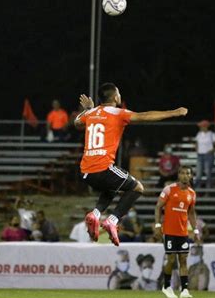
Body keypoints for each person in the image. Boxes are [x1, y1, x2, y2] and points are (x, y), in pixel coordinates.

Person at [74, 83, 187, 246]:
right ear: (114, 97)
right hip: (103, 167)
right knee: (137, 187)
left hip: (85, 171)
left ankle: (96, 214)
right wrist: (174, 112)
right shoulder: (118, 113)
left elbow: (77, 123)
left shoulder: (91, 113)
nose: (120, 96)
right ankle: (112, 221)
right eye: (119, 93)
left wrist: (88, 109)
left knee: (112, 187)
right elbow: (145, 116)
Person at [154, 166, 198, 298]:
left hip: (183, 232)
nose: (185, 176)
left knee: (183, 260)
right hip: (169, 231)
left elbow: (191, 212)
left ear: (190, 176)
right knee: (171, 259)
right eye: (183, 173)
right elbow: (158, 207)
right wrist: (157, 225)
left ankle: (184, 290)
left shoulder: (192, 193)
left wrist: (195, 230)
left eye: (188, 173)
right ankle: (167, 286)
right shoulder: (169, 189)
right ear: (178, 175)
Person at [195, 120, 215, 188]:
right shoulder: (199, 134)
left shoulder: (211, 134)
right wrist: (197, 150)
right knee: (198, 174)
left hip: (208, 155)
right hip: (200, 155)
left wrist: (212, 151)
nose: (200, 127)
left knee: (208, 173)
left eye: (201, 126)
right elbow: (196, 143)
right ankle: (197, 190)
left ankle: (208, 191)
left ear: (205, 127)